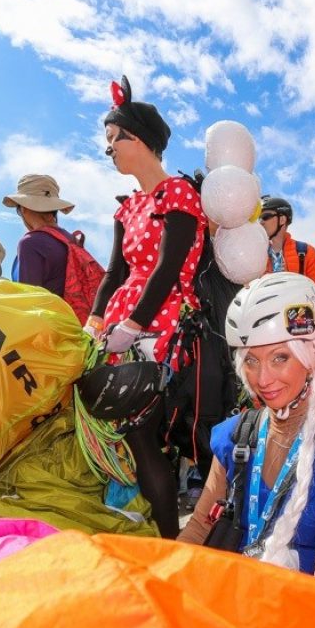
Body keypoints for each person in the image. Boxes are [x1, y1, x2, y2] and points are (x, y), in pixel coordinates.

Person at [178, 273, 315, 587]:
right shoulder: (235, 437)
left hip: (304, 612)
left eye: (279, 358)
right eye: (252, 361)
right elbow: (198, 530)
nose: (262, 379)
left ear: (311, 358)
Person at [86, 75, 206, 540]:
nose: (110, 148)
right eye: (108, 140)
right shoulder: (128, 207)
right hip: (124, 322)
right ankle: (161, 535)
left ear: (146, 141)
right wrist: (95, 319)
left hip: (163, 324)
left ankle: (171, 539)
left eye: (118, 137)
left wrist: (134, 325)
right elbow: (114, 273)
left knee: (143, 430)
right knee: (134, 435)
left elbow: (169, 268)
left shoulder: (177, 193)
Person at [2, 174, 77, 298]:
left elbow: (29, 299)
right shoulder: (71, 240)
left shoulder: (31, 243)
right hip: (79, 316)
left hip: (48, 316)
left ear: (24, 208)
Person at [258, 196, 315, 294]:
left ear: (282, 219)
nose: (261, 222)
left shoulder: (306, 252)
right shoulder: (254, 255)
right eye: (259, 218)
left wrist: (292, 281)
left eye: (265, 217)